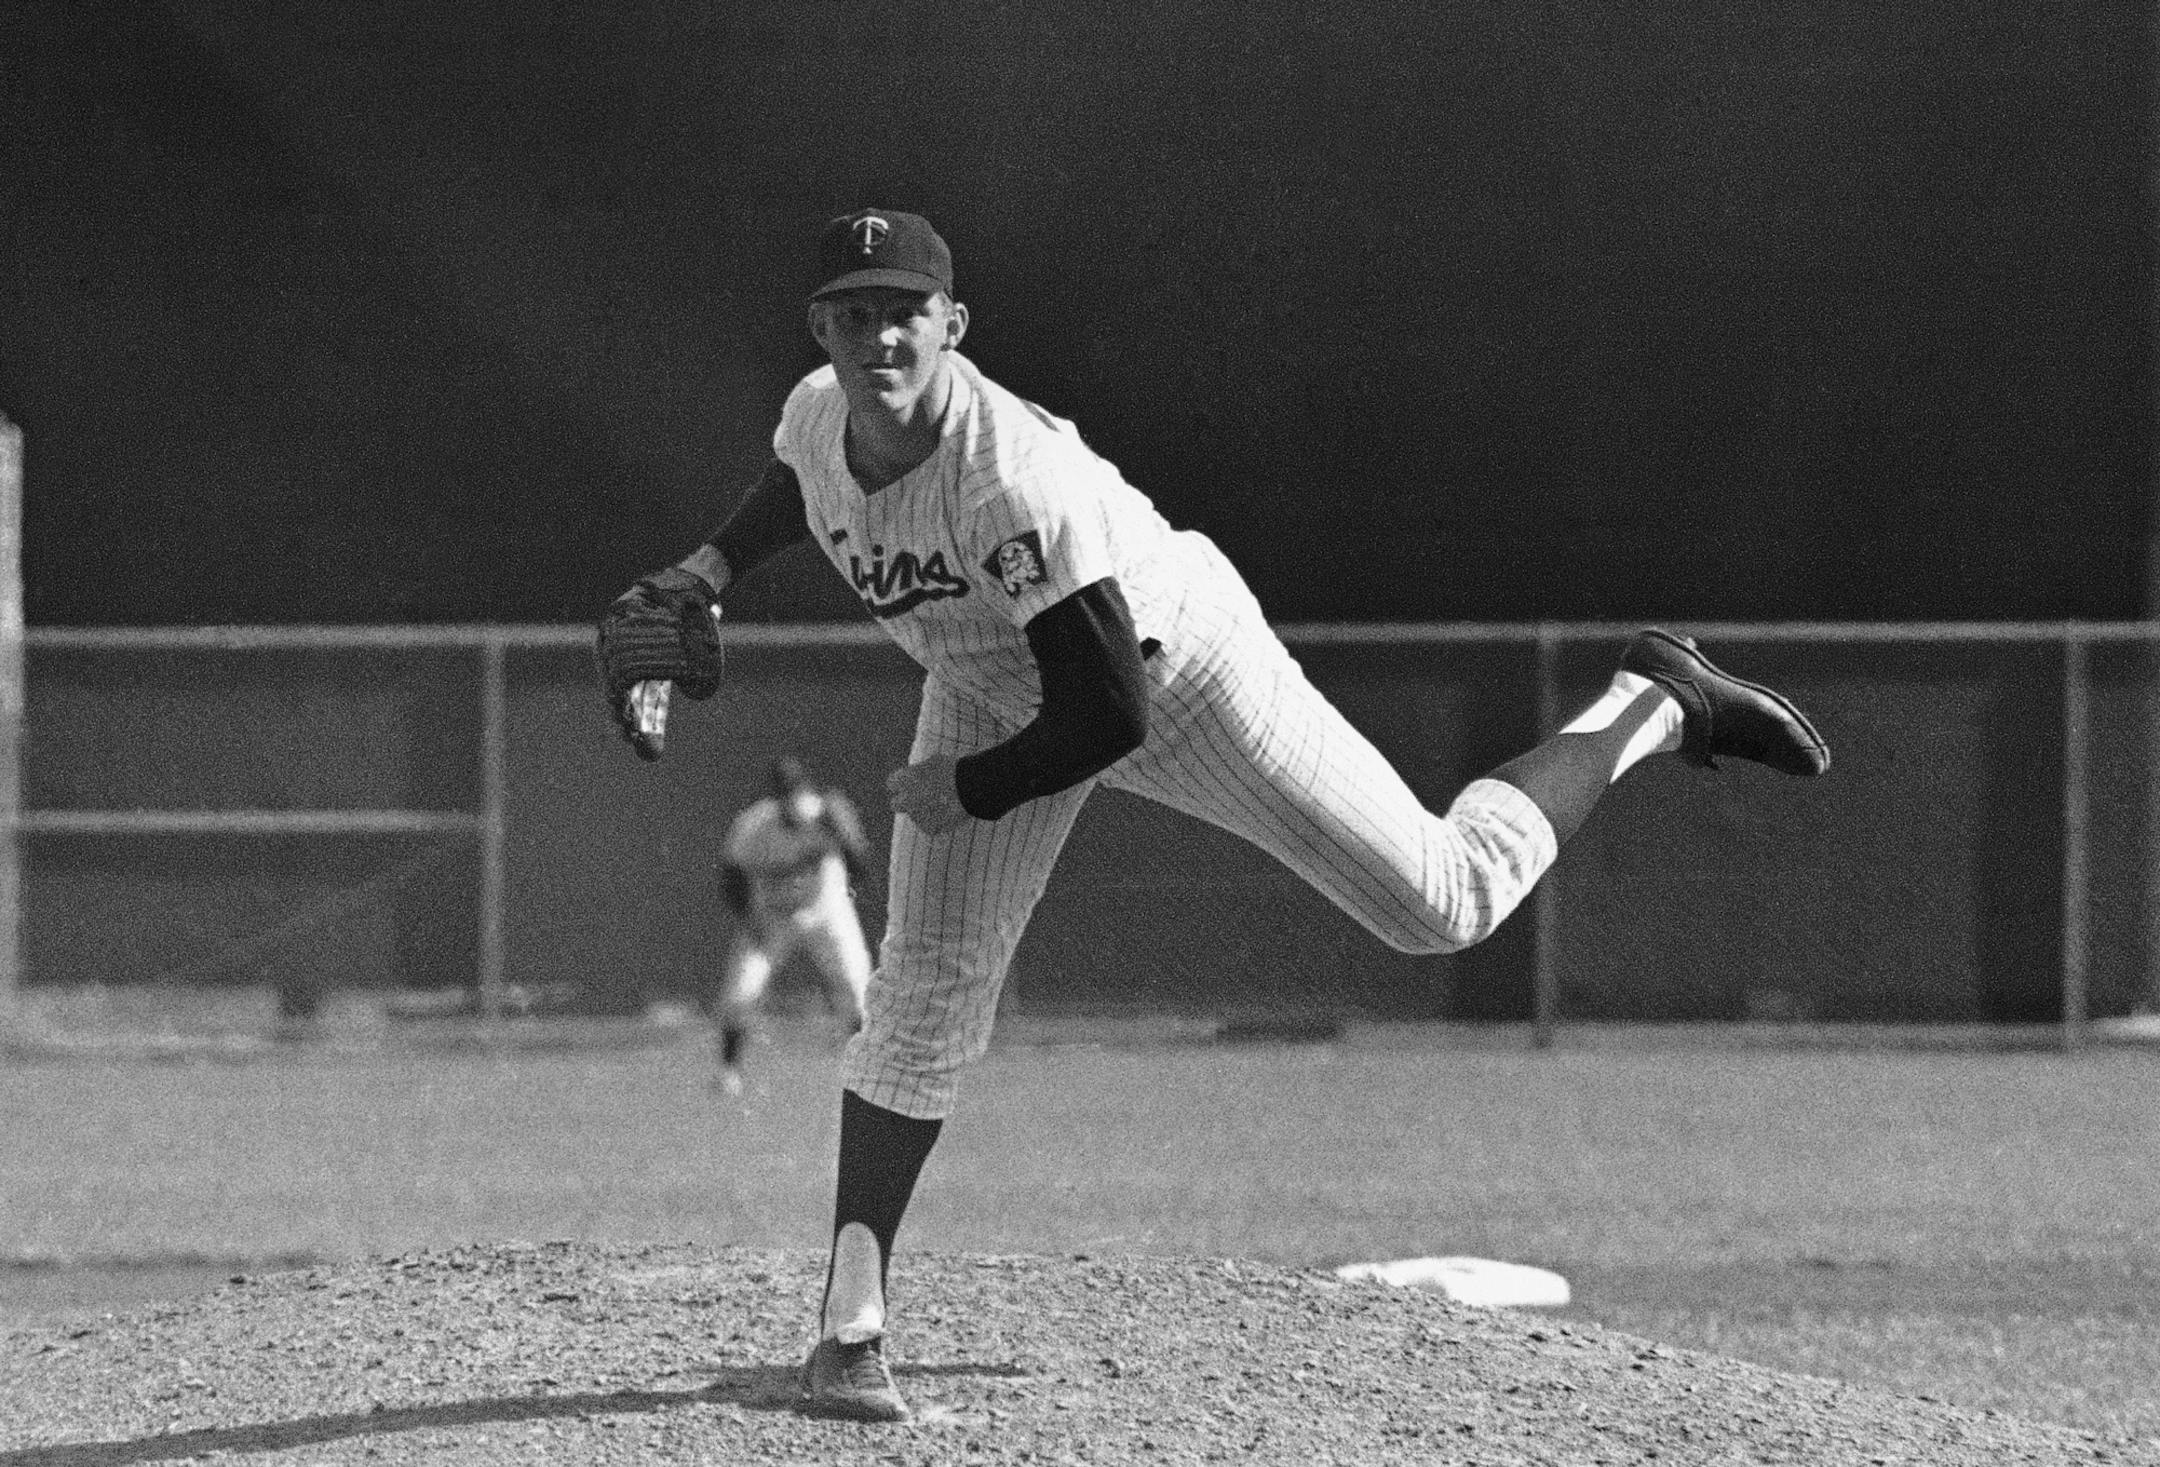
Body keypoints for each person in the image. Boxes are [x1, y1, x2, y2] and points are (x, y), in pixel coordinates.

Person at [595, 207, 1829, 1423]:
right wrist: (705, 572)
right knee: (919, 1001)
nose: (879, 338)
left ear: (953, 325)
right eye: (853, 314)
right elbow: (796, 487)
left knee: (1444, 901)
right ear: (820, 329)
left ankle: (1652, 700)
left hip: (1176, 672)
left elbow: (1106, 716)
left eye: (905, 313)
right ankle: (848, 1331)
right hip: (986, 684)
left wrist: (963, 789)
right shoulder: (820, 418)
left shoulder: (1010, 477)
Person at [708, 755, 874, 1096]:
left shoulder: (825, 814)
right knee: (741, 992)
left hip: (826, 911)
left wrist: (844, 832)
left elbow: (861, 864)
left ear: (806, 790)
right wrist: (750, 919)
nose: (791, 799)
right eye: (784, 792)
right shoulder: (754, 826)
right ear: (775, 796)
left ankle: (869, 1073)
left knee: (858, 990)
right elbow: (731, 879)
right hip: (773, 917)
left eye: (796, 790)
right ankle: (728, 1072)